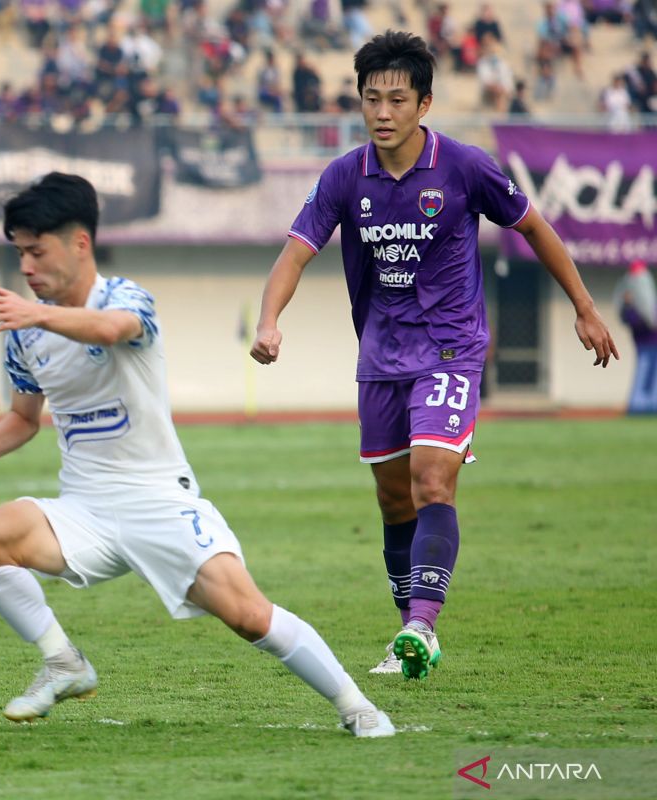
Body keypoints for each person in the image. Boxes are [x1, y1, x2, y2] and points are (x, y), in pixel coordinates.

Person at [0, 173, 395, 737]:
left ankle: (356, 706)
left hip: (159, 502)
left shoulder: (124, 298)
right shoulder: (25, 334)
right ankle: (63, 661)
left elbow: (114, 328)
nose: (25, 267)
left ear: (80, 243)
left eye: (36, 251)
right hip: (86, 510)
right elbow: (25, 419)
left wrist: (37, 314)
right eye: (20, 253)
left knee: (249, 615)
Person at [249, 31, 618, 680]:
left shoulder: (465, 167)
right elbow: (296, 249)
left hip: (451, 350)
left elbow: (533, 225)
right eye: (371, 99)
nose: (382, 113)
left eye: (396, 99)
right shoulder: (344, 176)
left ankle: (424, 621)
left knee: (431, 478)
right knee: (394, 501)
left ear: (424, 104)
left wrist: (585, 307)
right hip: (381, 357)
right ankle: (407, 637)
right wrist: (269, 319)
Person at [616, 260, 657, 413]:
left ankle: (652, 405)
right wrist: (628, 305)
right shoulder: (632, 306)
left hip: (652, 346)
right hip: (643, 346)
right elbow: (632, 321)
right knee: (643, 374)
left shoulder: (651, 303)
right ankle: (639, 406)